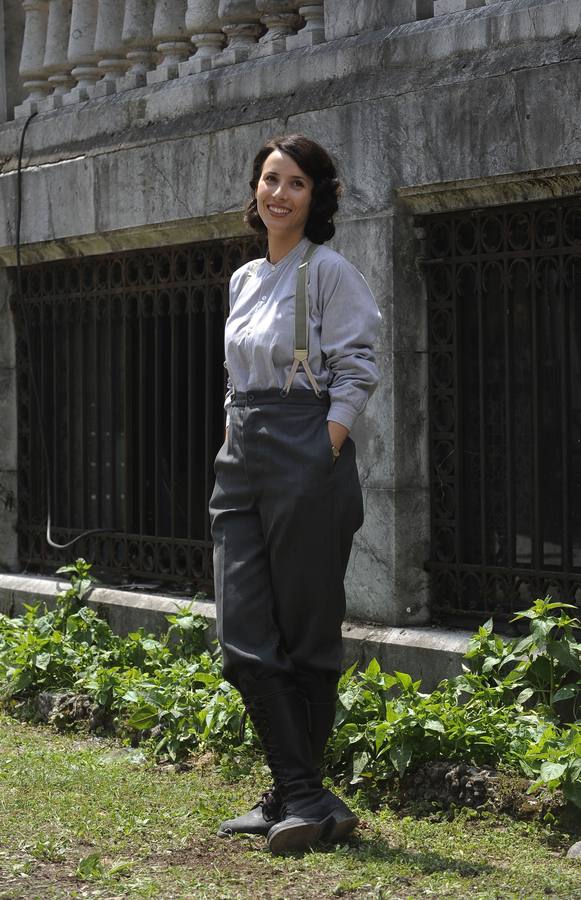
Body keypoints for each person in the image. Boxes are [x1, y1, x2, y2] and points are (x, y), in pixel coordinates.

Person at [209, 134, 381, 854]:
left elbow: (358, 367)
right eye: (269, 179)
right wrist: (233, 431)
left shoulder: (330, 271)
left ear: (316, 197)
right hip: (243, 450)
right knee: (242, 631)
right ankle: (307, 795)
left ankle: (293, 796)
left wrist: (325, 447)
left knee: (306, 631)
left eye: (295, 183)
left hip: (305, 449)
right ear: (255, 191)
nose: (277, 193)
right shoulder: (244, 278)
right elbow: (234, 372)